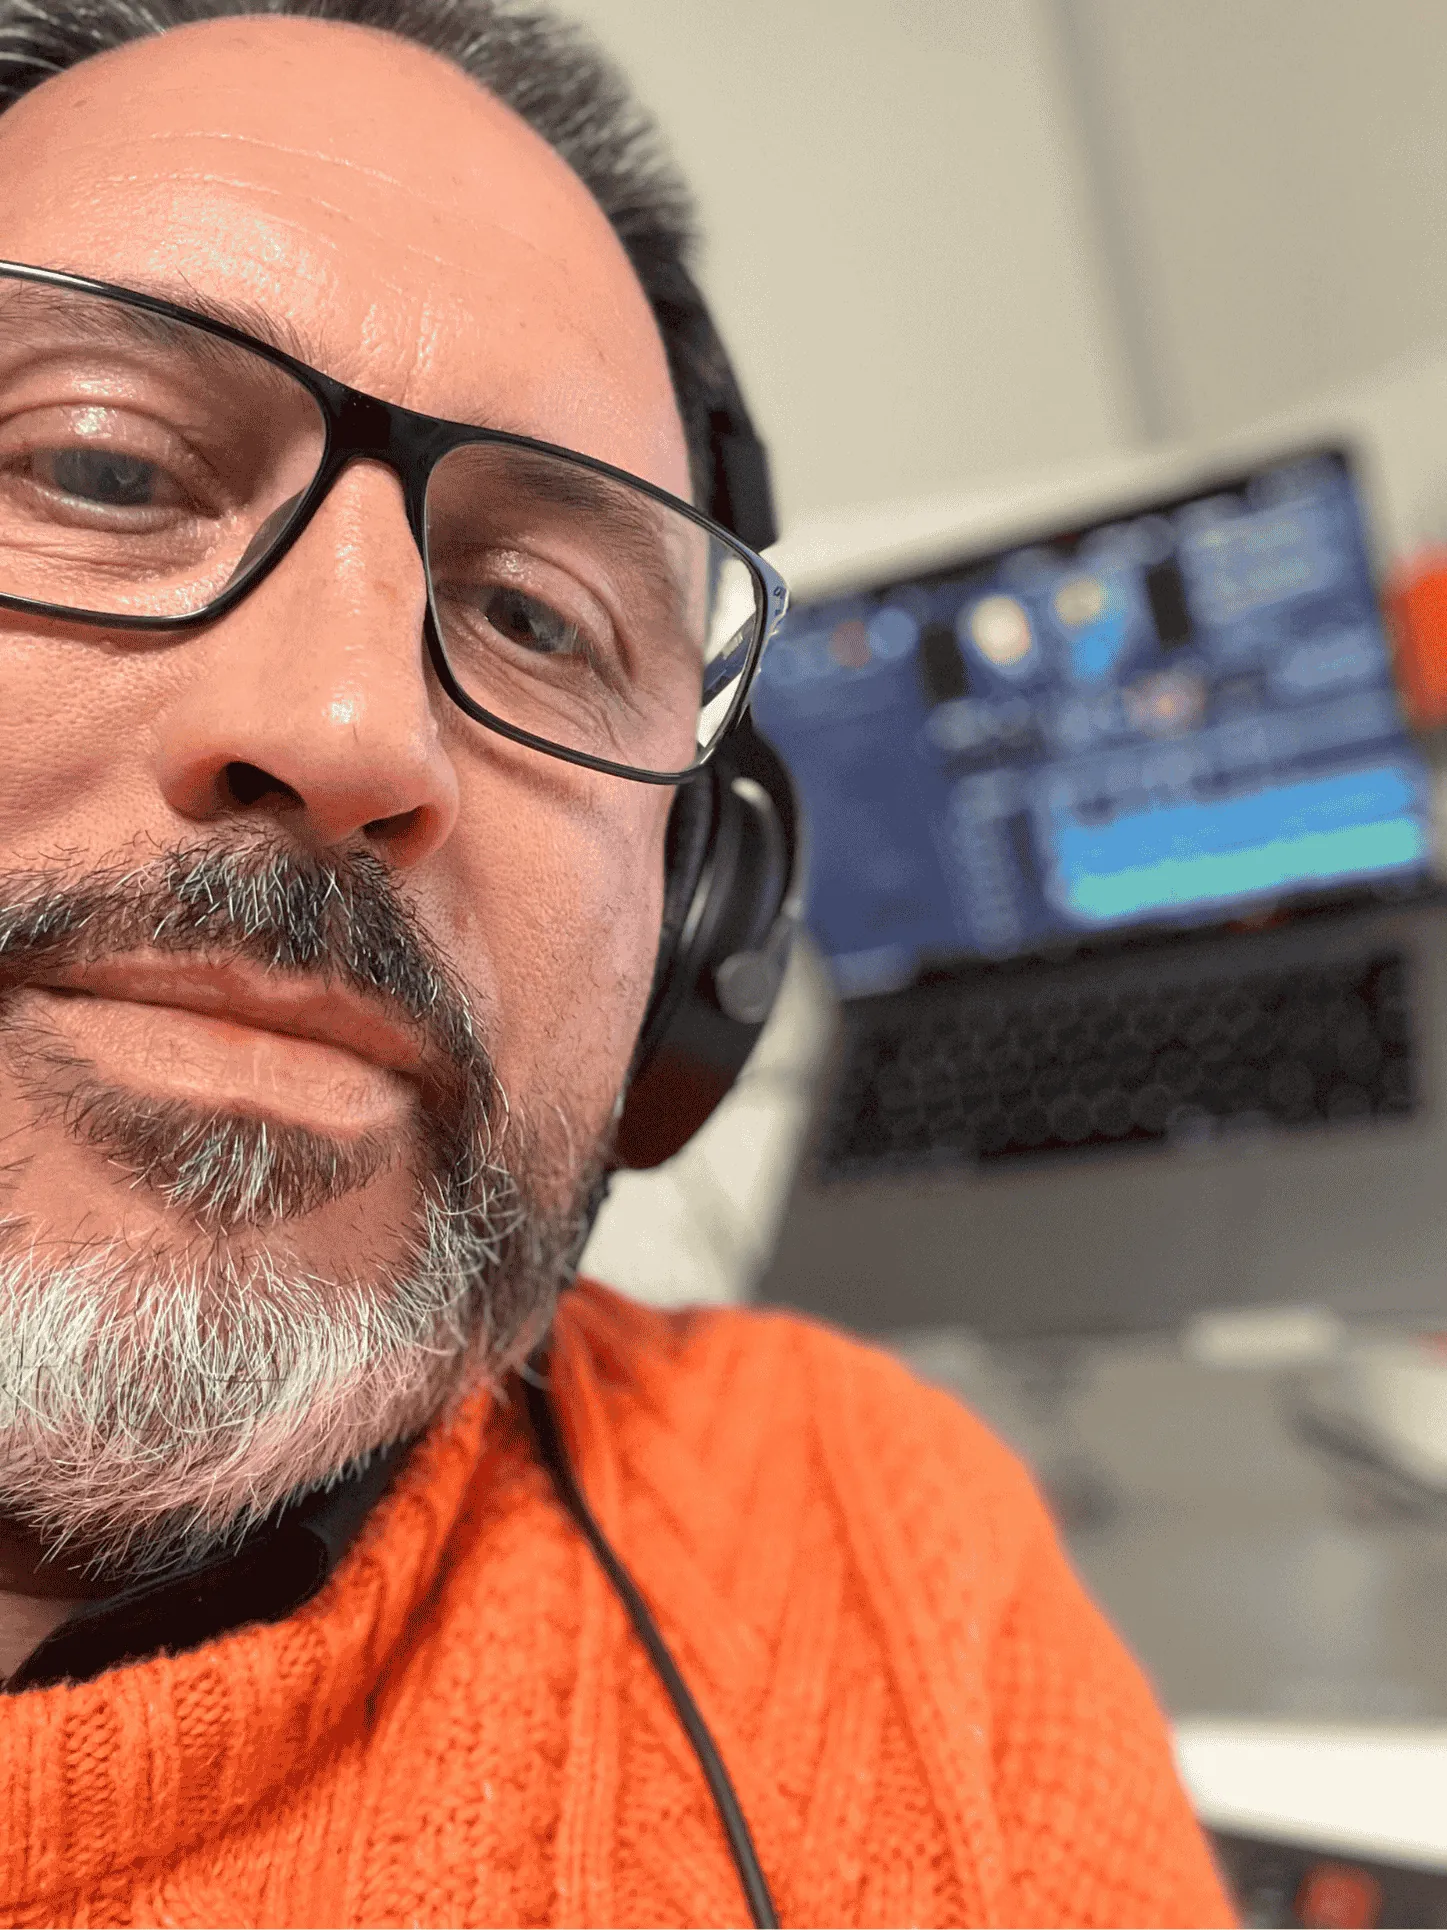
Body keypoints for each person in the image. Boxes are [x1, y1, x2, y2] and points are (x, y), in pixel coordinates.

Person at [0, 1, 1234, 1923]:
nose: (348, 724)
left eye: (529, 612)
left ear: (702, 910)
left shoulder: (878, 1556)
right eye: (101, 469)